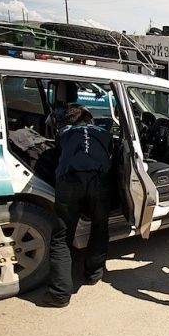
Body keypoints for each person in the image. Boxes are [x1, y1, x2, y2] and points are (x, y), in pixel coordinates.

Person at [42, 103, 113, 308]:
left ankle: (59, 295)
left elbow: (58, 155)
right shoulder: (104, 132)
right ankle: (93, 274)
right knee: (100, 228)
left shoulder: (63, 132)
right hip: (100, 180)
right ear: (90, 119)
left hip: (70, 180)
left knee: (63, 236)